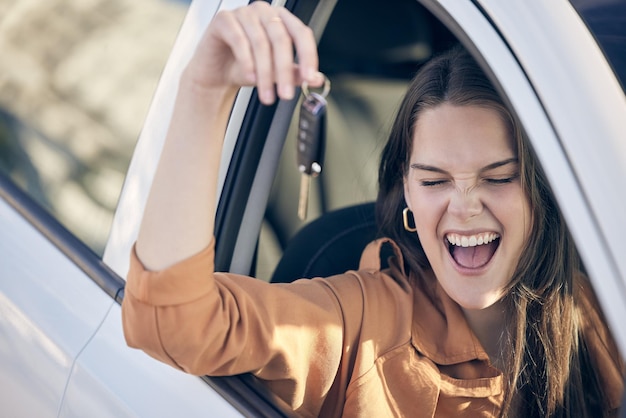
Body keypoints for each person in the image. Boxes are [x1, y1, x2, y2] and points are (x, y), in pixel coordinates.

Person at [122, 2, 624, 417]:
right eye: (433, 181)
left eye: (497, 178)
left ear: (541, 190)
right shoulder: (364, 323)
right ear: (404, 191)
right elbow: (175, 323)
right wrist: (204, 90)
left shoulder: (593, 303)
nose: (465, 207)